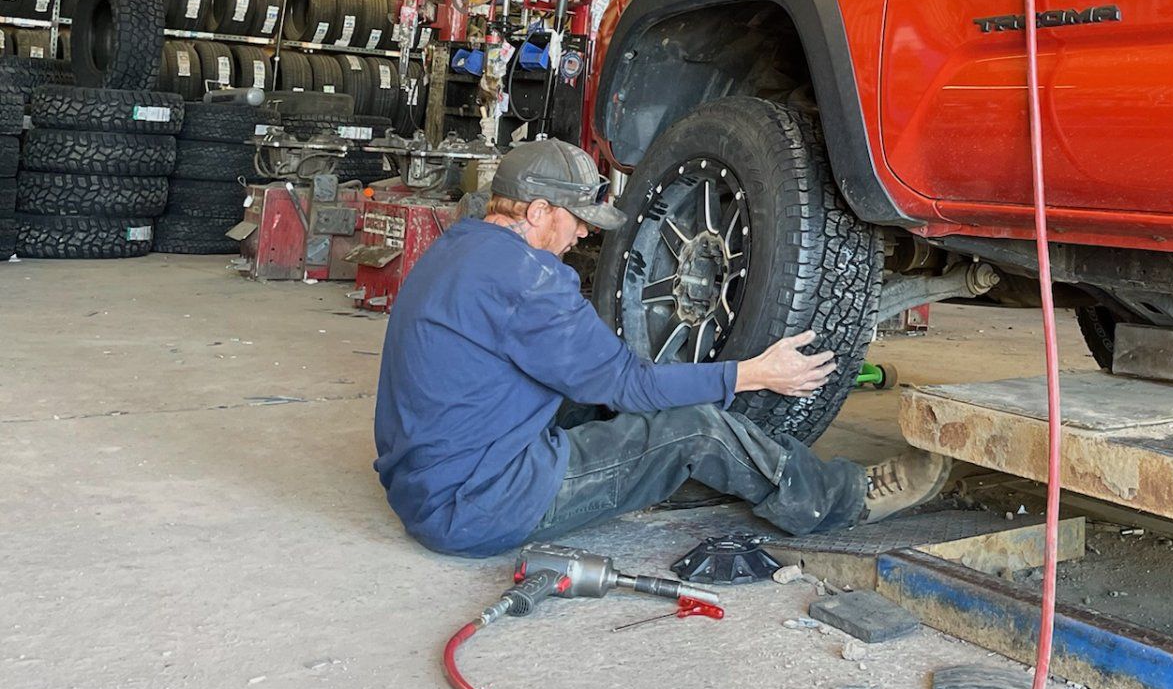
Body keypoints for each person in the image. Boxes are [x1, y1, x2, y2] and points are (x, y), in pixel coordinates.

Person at [372, 138, 950, 558]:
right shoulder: (531, 280)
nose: (583, 235)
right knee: (697, 430)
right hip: (483, 506)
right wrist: (750, 373)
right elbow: (629, 385)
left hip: (424, 488)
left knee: (602, 402)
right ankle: (840, 499)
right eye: (576, 221)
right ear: (538, 212)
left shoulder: (457, 249)